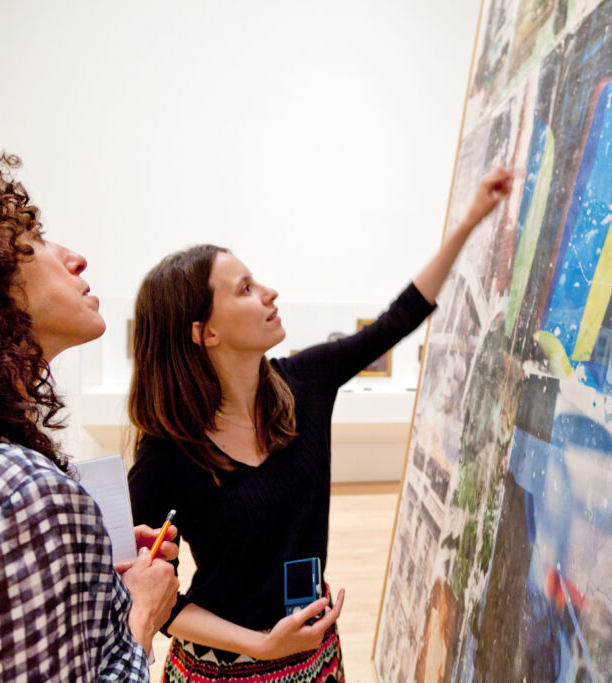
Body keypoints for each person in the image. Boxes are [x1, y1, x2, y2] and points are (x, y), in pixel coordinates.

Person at [126, 166, 513, 682]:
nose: (270, 293)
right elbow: (158, 601)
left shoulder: (305, 383)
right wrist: (260, 645)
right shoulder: (167, 454)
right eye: (245, 289)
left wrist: (469, 221)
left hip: (317, 658)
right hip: (219, 670)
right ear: (205, 333)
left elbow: (398, 318)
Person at [0, 153, 182, 681]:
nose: (75, 258)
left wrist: (84, 569)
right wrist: (143, 612)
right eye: (34, 240)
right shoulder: (20, 496)